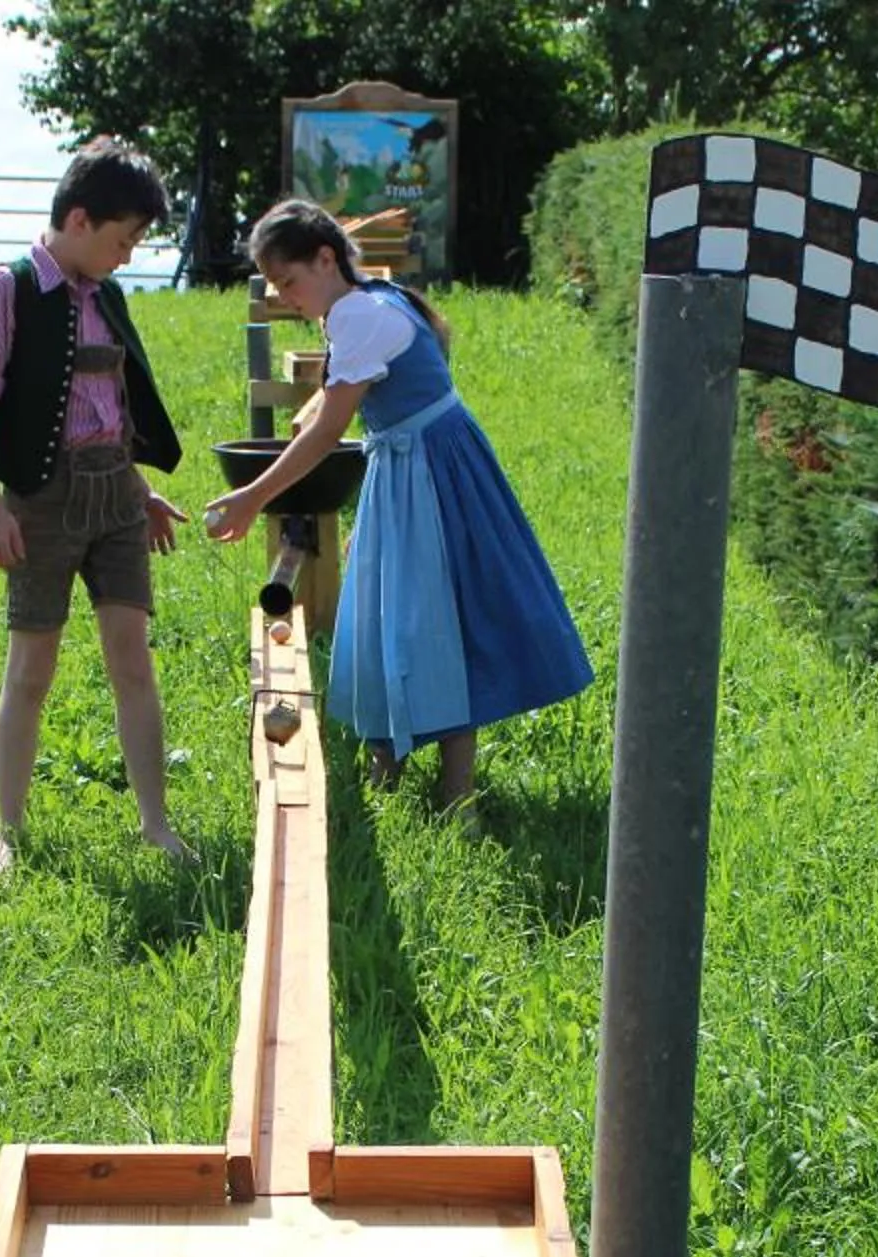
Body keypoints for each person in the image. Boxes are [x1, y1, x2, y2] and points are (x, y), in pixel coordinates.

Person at [201, 199, 591, 815]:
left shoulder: (360, 314)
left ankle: (454, 793)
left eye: (290, 281)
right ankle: (395, 770)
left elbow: (329, 430)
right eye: (276, 286)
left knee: (431, 622)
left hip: (432, 477)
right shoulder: (374, 303)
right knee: (394, 619)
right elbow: (341, 408)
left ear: (326, 259)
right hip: (412, 468)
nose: (285, 297)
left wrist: (252, 497)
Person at [0, 136, 191, 876]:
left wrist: (140, 488)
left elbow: (111, 405)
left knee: (134, 661)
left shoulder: (109, 296)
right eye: (124, 240)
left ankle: (155, 823)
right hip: (41, 504)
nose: (128, 256)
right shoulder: (11, 287)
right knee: (31, 667)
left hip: (118, 500)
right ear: (82, 220)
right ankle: (10, 831)